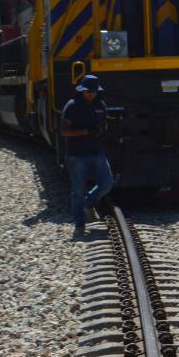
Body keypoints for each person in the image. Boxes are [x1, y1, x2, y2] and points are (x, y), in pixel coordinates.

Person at [61, 74, 114, 238]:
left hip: (96, 150)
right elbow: (64, 131)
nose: (92, 94)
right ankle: (79, 225)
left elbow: (104, 123)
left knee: (107, 182)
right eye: (89, 91)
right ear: (82, 91)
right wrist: (85, 131)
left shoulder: (100, 105)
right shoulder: (72, 106)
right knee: (78, 190)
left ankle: (88, 203)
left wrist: (103, 131)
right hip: (77, 155)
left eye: (94, 91)